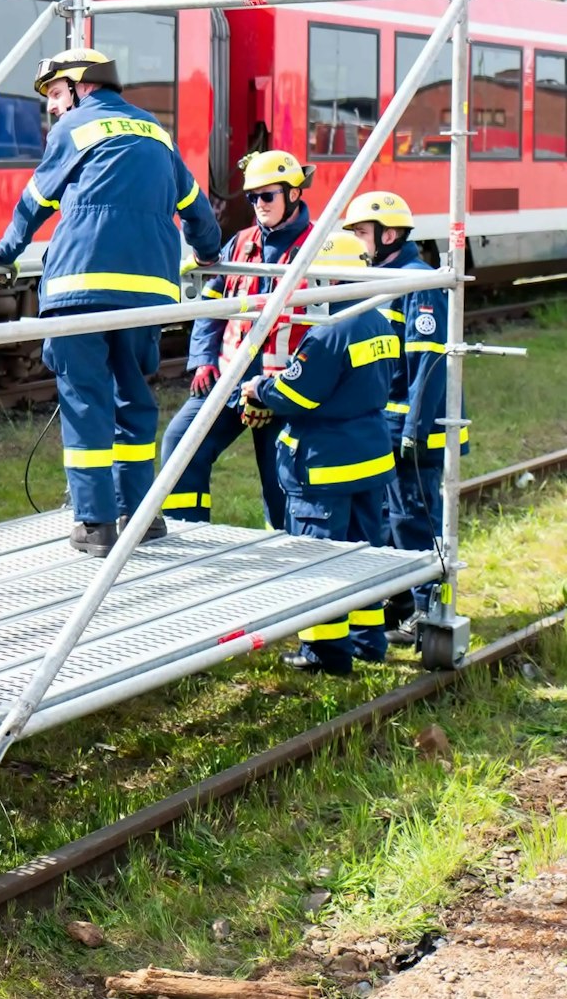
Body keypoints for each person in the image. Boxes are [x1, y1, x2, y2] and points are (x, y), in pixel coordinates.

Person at [0, 48, 220, 556]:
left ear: (81, 86)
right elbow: (197, 211)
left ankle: (95, 524)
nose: (51, 107)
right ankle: (142, 513)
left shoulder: (72, 131)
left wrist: (3, 254)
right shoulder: (158, 135)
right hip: (146, 296)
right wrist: (208, 254)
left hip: (79, 291)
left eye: (54, 93)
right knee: (134, 402)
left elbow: (34, 202)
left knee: (84, 403)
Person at [240, 231, 400, 674]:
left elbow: (299, 394)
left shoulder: (329, 333)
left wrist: (260, 389)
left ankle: (326, 654)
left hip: (325, 467)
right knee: (367, 552)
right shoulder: (379, 322)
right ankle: (369, 642)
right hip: (371, 459)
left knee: (320, 560)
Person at [159, 150, 317, 529]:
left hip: (286, 393)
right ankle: (188, 531)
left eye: (267, 196)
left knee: (282, 483)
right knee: (181, 444)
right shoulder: (240, 243)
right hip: (229, 381)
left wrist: (267, 390)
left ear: (294, 194)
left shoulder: (320, 249)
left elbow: (327, 335)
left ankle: (286, 555)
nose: (258, 205)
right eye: (252, 198)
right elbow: (213, 304)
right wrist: (202, 359)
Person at [341, 190, 467, 645]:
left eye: (362, 232)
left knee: (414, 517)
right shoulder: (387, 277)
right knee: (389, 516)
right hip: (388, 422)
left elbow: (428, 365)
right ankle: (401, 602)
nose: (358, 243)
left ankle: (427, 604)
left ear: (388, 234)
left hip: (416, 426)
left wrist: (414, 430)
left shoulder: (418, 282)